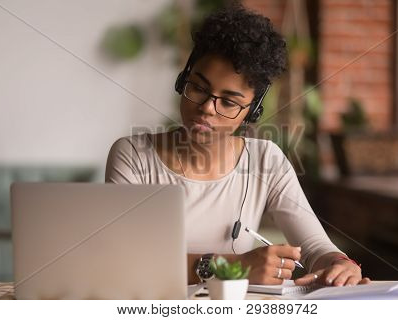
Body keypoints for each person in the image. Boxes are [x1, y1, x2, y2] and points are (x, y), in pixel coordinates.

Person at [105, 5, 370, 287]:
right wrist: (232, 266)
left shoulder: (266, 160)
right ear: (183, 80)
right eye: (197, 88)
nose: (207, 107)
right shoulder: (133, 156)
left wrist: (340, 265)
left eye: (229, 102)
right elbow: (124, 260)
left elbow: (316, 247)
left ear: (251, 112)